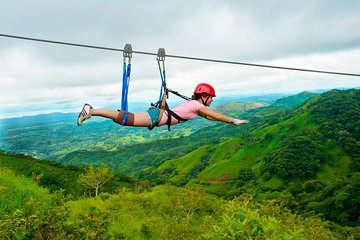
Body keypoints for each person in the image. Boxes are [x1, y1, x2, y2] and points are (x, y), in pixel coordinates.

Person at [77, 83, 249, 128]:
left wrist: (227, 122)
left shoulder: (195, 106)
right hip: (157, 117)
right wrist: (233, 120)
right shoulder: (197, 105)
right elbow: (216, 115)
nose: (211, 100)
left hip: (157, 116)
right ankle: (91, 110)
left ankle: (92, 111)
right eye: (210, 98)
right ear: (204, 96)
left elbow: (212, 117)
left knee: (125, 119)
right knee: (126, 119)